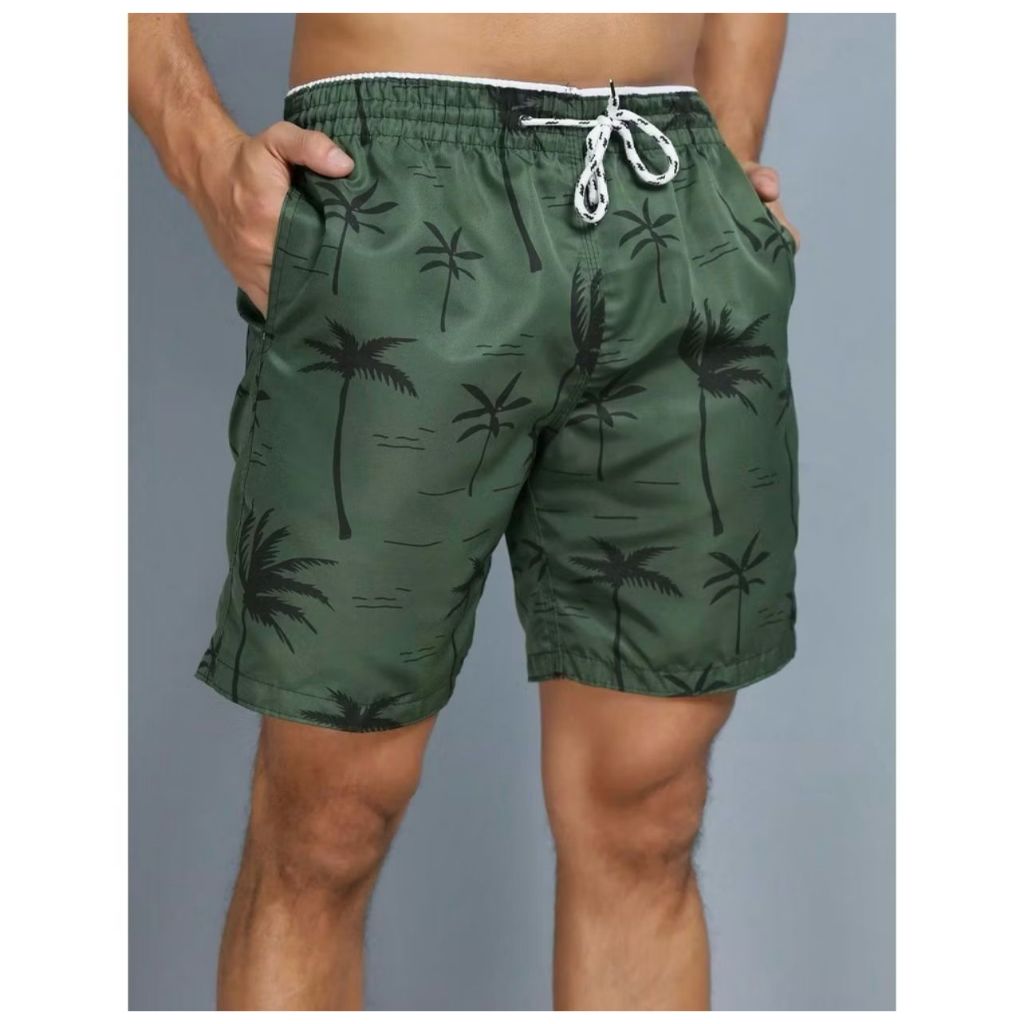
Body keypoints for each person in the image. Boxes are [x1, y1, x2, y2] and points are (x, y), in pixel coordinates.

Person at [129, 13, 800, 1011]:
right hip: (397, 182)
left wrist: (727, 164)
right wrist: (201, 152)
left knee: (650, 810)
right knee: (327, 821)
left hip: (664, 184)